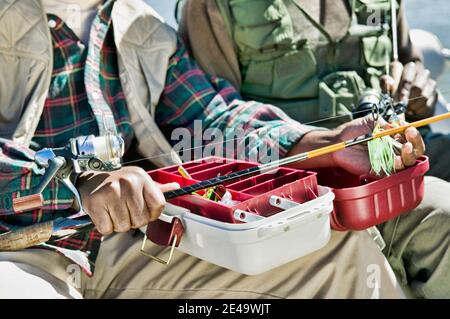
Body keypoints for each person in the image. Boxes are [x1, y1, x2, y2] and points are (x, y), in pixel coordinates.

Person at [0, 0, 435, 299]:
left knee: (341, 252)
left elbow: (212, 119)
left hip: (127, 249)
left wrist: (327, 144)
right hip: (25, 253)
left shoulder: (142, 27)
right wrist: (80, 180)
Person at [179, 0, 450, 298]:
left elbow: (409, 61)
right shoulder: (211, 6)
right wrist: (328, 146)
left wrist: (418, 92)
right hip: (300, 195)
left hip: (397, 163)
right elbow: (214, 132)